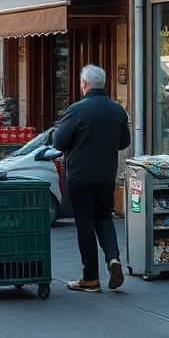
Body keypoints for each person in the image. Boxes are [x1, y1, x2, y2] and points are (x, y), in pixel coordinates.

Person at [53, 64, 131, 293]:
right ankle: (113, 259)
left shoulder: (77, 110)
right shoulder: (117, 110)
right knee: (104, 217)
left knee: (85, 222)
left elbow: (58, 142)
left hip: (80, 175)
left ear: (84, 84)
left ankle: (90, 279)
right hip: (106, 175)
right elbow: (124, 142)